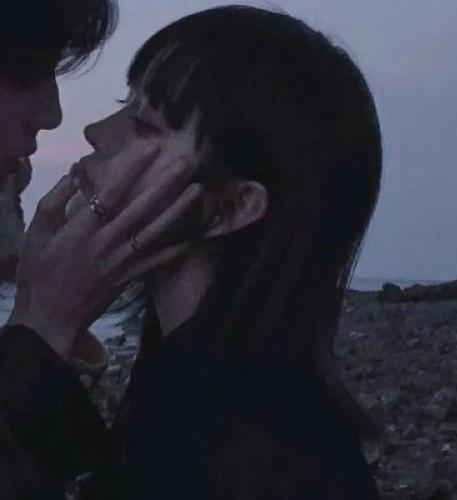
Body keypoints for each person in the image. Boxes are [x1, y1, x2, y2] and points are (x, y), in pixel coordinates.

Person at [2, 5, 385, 499]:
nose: (96, 130)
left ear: (235, 205)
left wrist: (39, 333)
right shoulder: (181, 377)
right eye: (124, 103)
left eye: (145, 125)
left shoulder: (264, 453)